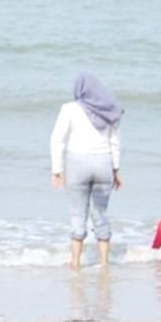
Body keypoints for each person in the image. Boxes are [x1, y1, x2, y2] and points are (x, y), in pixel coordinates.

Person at [49, 72, 125, 269]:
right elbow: (114, 143)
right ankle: (104, 263)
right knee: (101, 213)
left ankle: (75, 262)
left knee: (78, 214)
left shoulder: (69, 109)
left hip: (77, 164)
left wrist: (57, 170)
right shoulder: (107, 110)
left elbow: (57, 139)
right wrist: (116, 170)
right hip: (103, 163)